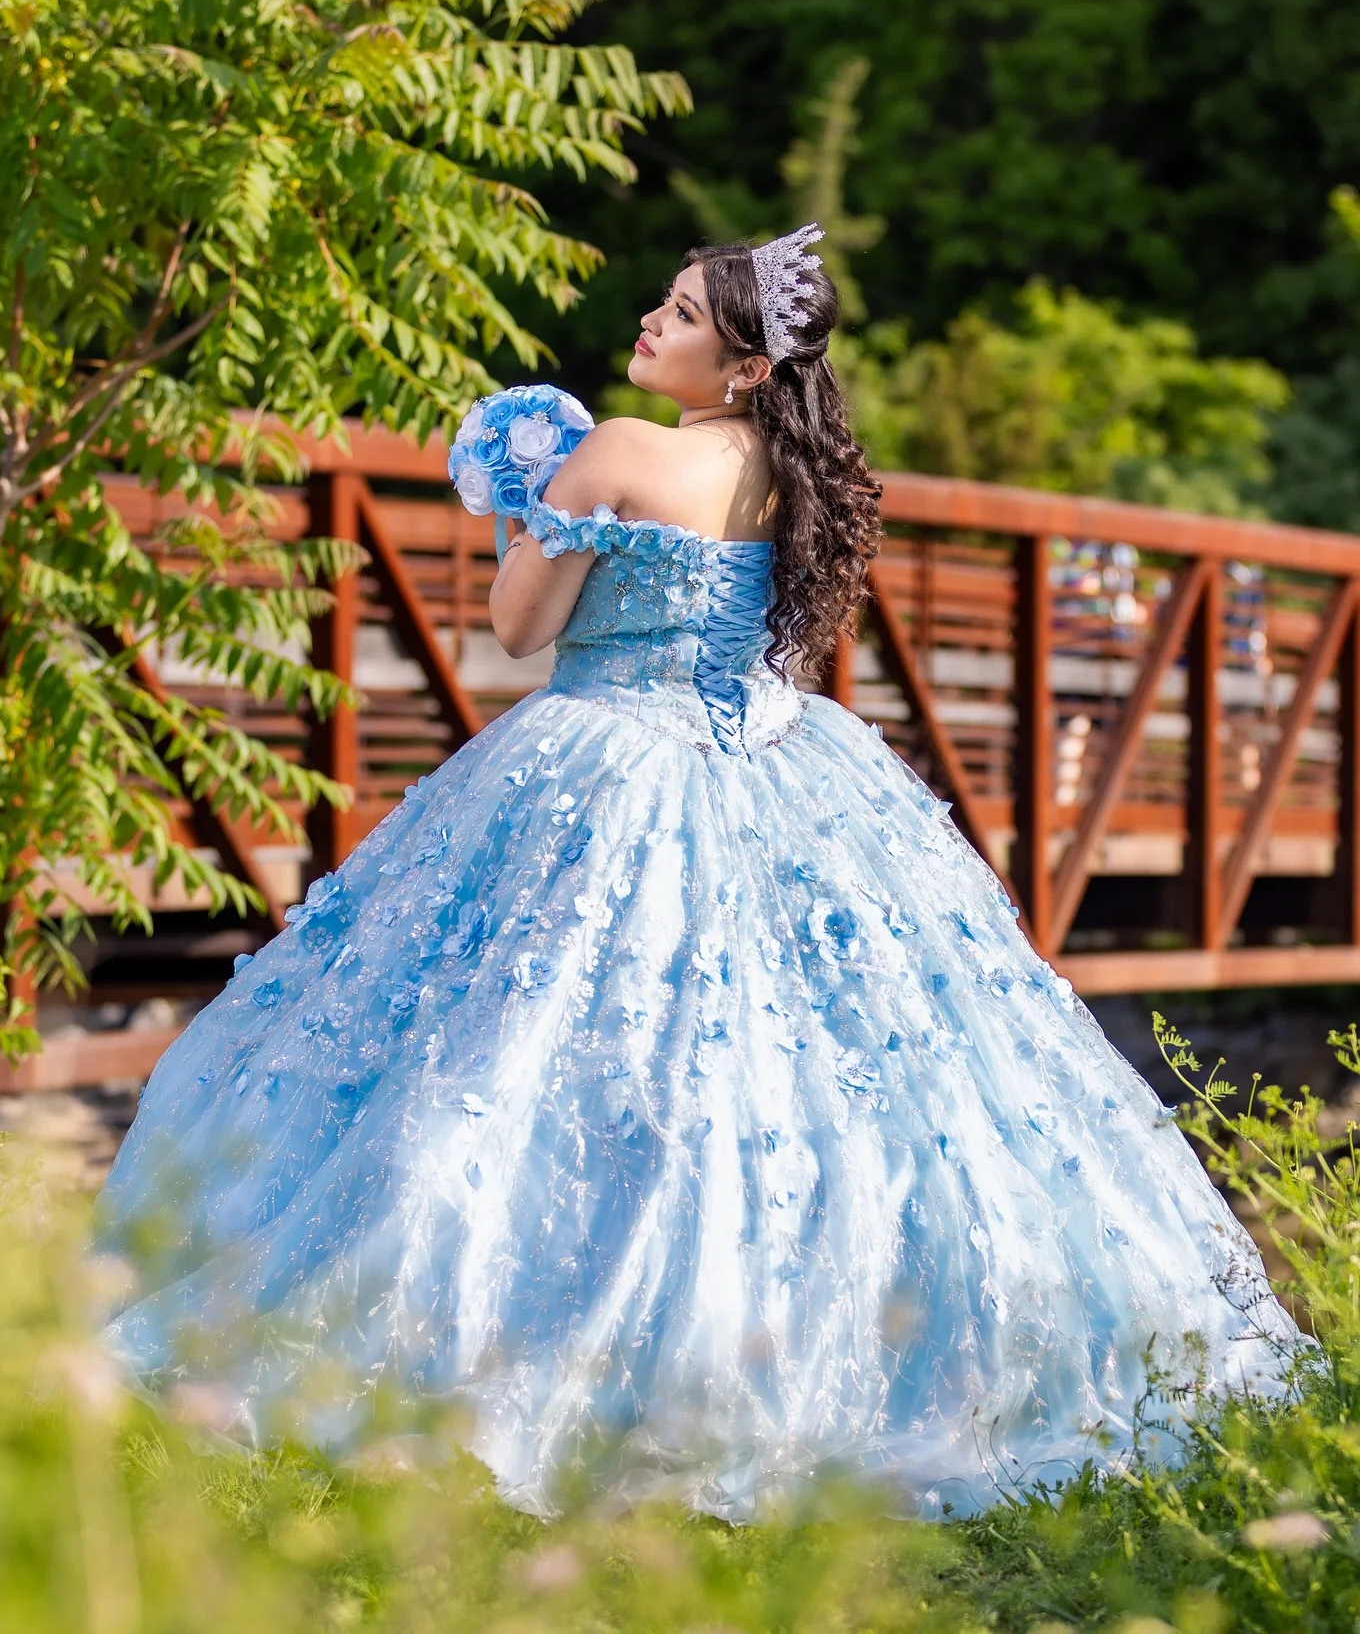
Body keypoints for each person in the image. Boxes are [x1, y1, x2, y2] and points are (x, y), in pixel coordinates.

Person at [98, 227, 1302, 1521]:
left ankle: (522, 1347)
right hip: (781, 763)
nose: (647, 326)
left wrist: (526, 499)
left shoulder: (620, 449)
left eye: (677, 315)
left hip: (607, 760)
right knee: (805, 1071)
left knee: (531, 1052)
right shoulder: (800, 482)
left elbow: (518, 627)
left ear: (738, 365)